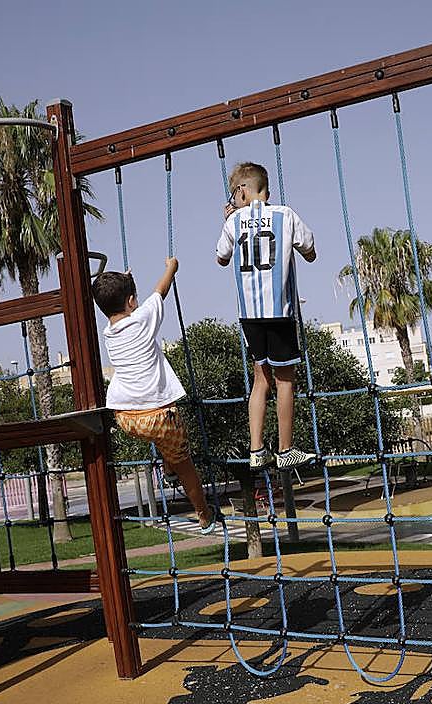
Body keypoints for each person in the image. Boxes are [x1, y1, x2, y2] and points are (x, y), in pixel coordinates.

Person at [93, 259, 219, 534]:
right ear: (131, 301)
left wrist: (124, 284)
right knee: (187, 464)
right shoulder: (143, 318)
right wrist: (171, 267)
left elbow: (119, 299)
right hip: (159, 416)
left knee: (162, 440)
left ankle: (168, 469)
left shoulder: (109, 333)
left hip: (125, 417)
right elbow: (160, 291)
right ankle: (204, 514)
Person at [215, 162, 317, 471]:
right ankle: (286, 449)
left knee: (261, 379)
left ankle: (256, 448)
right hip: (279, 310)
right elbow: (310, 251)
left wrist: (232, 218)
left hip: (249, 315)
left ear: (241, 192)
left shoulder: (233, 222)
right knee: (286, 380)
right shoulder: (285, 215)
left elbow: (221, 258)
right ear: (266, 192)